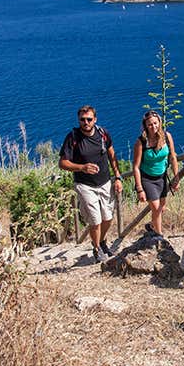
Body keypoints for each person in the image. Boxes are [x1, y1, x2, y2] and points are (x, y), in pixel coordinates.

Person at [59, 105, 123, 263]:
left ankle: (101, 242)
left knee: (108, 218)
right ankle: (96, 248)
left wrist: (118, 177)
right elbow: (62, 163)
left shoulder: (103, 134)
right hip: (84, 185)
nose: (86, 122)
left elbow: (112, 156)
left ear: (95, 119)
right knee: (95, 220)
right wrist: (82, 167)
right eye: (82, 119)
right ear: (78, 120)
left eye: (89, 119)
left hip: (105, 182)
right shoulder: (73, 137)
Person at [132, 110, 179, 236]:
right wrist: (139, 189)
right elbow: (135, 167)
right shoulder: (141, 142)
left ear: (160, 122)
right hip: (147, 179)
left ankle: (152, 226)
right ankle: (159, 237)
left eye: (155, 123)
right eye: (150, 124)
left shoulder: (166, 137)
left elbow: (173, 157)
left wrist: (176, 177)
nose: (153, 127)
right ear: (145, 126)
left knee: (161, 208)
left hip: (162, 178)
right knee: (157, 208)